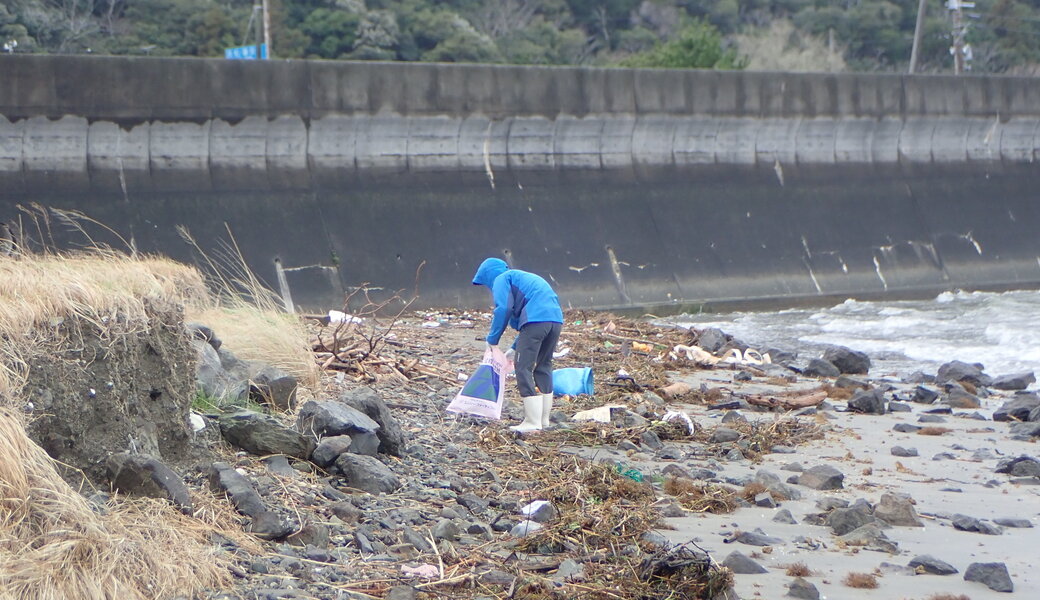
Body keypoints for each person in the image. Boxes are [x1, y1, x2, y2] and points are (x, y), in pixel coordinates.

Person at [472, 257, 563, 432]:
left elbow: (504, 309)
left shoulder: (501, 279)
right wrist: (514, 348)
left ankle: (532, 421)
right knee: (544, 366)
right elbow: (529, 324)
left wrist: (492, 340)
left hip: (536, 320)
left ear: (488, 275)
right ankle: (544, 420)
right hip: (555, 320)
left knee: (523, 368)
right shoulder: (521, 277)